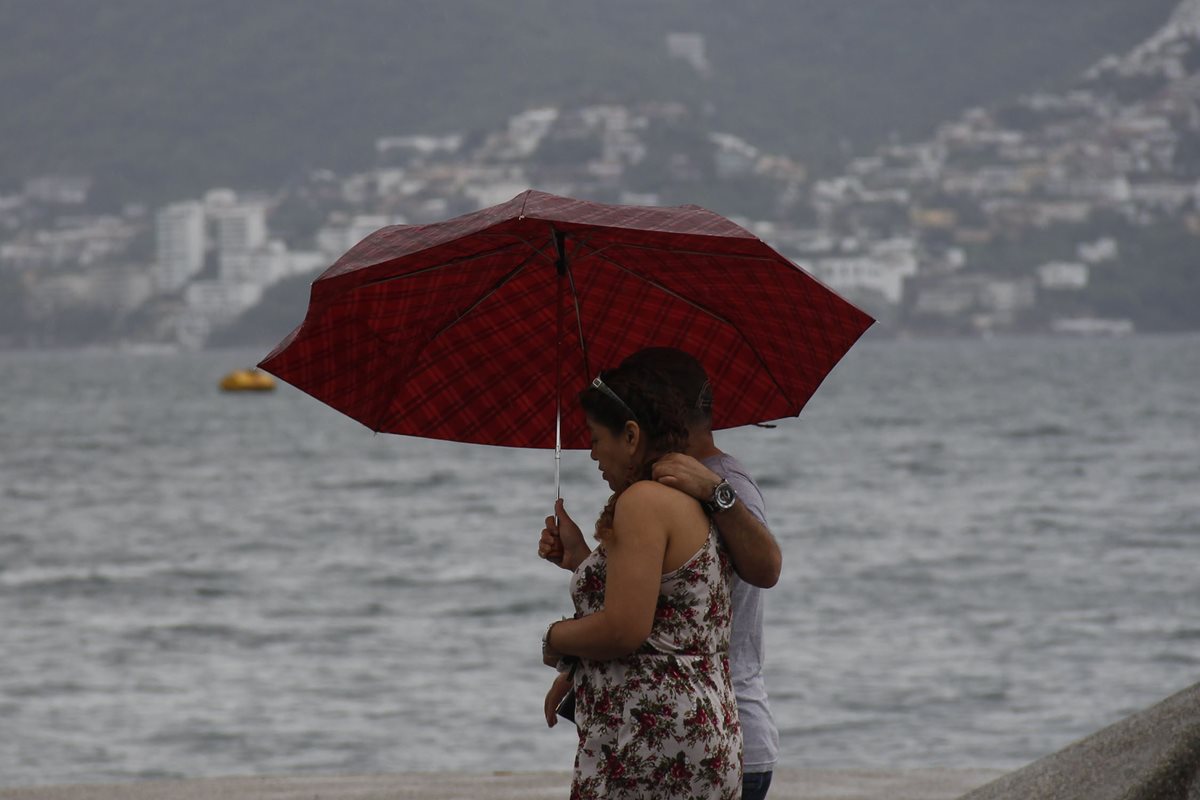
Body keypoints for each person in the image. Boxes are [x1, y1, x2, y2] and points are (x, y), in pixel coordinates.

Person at [541, 347, 781, 800]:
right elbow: (669, 602)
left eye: (595, 438)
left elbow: (766, 568)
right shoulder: (665, 491)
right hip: (703, 725)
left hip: (674, 733)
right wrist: (584, 563)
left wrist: (554, 638)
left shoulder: (712, 481)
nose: (591, 452)